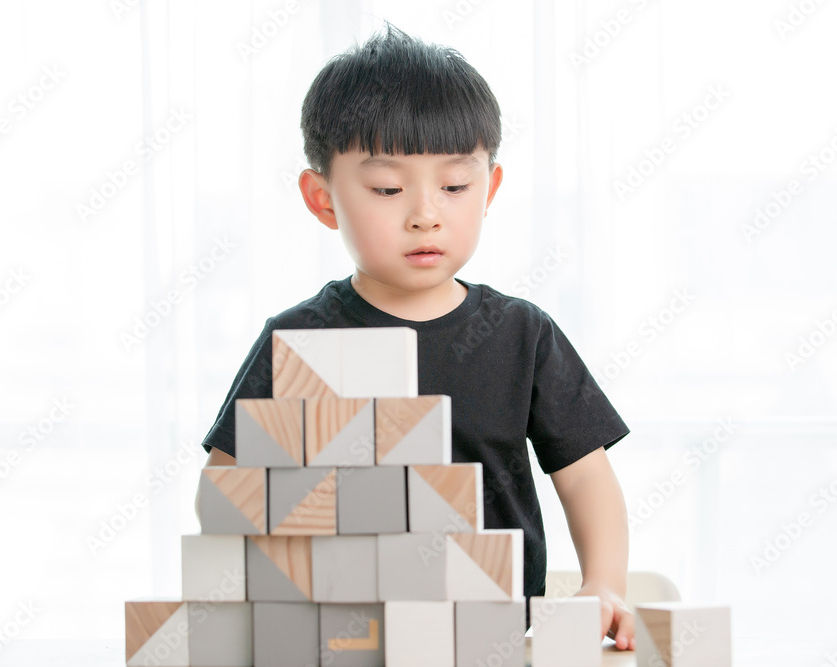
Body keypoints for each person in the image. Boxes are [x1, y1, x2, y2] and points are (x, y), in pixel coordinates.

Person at [195, 21, 635, 650]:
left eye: (455, 186)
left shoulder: (521, 335)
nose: (426, 212)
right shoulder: (298, 339)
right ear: (323, 200)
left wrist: (603, 580)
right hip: (346, 640)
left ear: (491, 190)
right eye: (387, 189)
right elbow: (225, 488)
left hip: (500, 638)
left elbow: (585, 475)